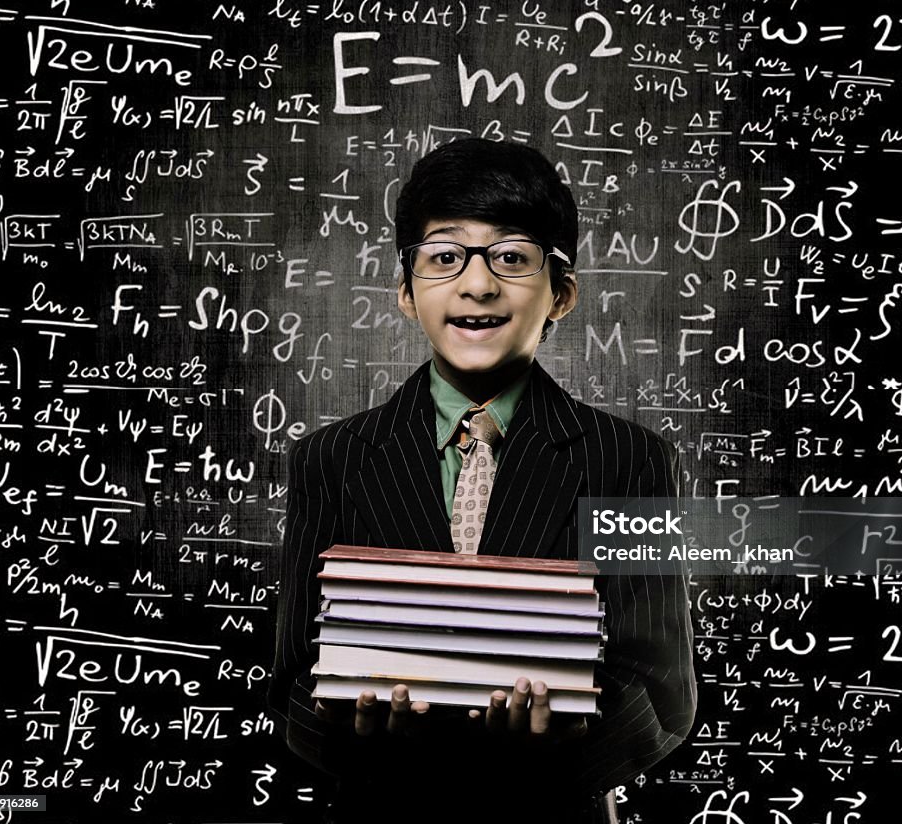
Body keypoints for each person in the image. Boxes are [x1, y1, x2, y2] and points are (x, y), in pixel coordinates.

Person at [268, 138, 696, 824]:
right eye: (445, 256)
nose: (477, 284)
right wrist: (372, 744)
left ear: (562, 293)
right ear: (406, 291)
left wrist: (548, 755)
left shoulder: (631, 460)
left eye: (511, 257)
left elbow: (664, 690)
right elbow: (291, 679)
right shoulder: (331, 458)